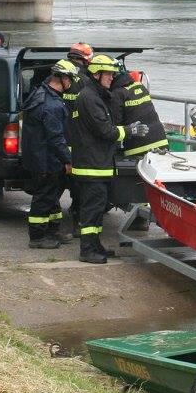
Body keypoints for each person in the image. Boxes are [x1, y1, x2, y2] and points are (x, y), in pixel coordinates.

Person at [70, 55, 145, 264]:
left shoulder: (96, 95)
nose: (112, 78)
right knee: (92, 210)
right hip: (92, 165)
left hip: (98, 163)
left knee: (97, 209)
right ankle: (87, 250)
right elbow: (104, 130)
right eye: (109, 74)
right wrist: (129, 131)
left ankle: (95, 246)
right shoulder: (89, 98)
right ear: (96, 74)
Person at [21, 60, 79, 249]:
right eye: (70, 79)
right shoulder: (52, 105)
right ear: (62, 78)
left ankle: (53, 231)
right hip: (46, 160)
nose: (71, 83)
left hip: (39, 156)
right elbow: (56, 138)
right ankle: (37, 237)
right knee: (44, 198)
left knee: (52, 197)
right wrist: (68, 160)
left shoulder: (40, 92)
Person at [58, 43, 94, 237]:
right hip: (79, 140)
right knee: (80, 184)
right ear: (86, 59)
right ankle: (77, 221)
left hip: (57, 138)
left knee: (53, 185)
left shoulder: (56, 75)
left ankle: (51, 226)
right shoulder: (87, 81)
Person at [111, 67, 167, 157]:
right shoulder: (140, 86)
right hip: (161, 141)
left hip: (137, 147)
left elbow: (115, 124)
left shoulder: (117, 94)